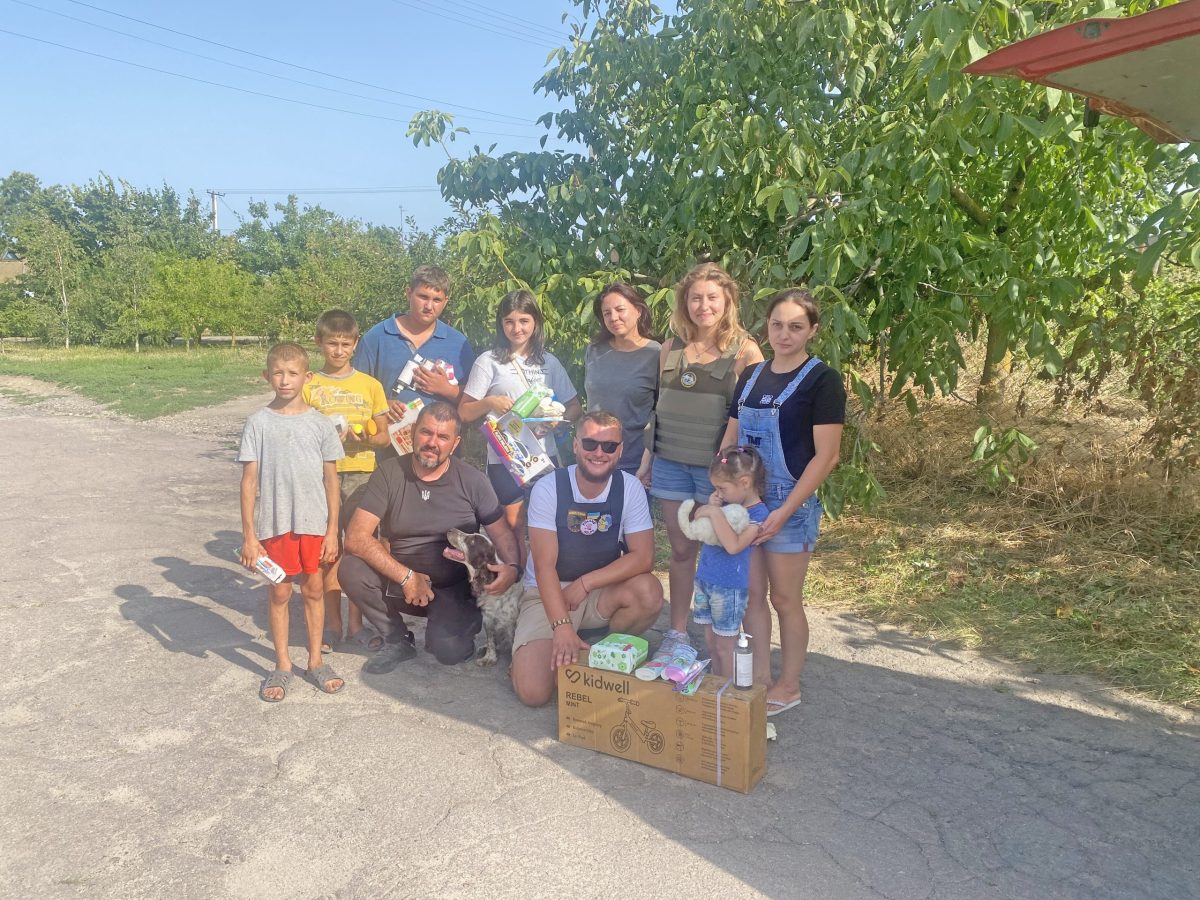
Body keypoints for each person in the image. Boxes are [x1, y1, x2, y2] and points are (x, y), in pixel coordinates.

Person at [720, 288, 846, 714]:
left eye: (796, 326)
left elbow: (827, 456)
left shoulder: (821, 380)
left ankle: (789, 685)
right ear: (766, 325)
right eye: (777, 324)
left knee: (785, 600)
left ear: (812, 329)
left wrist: (784, 510)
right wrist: (721, 489)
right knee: (751, 596)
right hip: (745, 501)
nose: (784, 334)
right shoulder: (751, 375)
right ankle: (760, 677)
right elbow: (732, 437)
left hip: (789, 506)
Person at [636, 263, 764, 655]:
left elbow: (750, 417)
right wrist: (646, 460)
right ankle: (677, 633)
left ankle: (726, 636)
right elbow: (660, 409)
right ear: (684, 303)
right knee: (680, 550)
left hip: (720, 474)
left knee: (723, 549)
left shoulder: (746, 351)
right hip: (670, 464)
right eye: (695, 297)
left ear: (727, 302)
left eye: (712, 297)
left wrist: (726, 468)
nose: (703, 305)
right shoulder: (670, 348)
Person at [339, 402, 521, 671]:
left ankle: (454, 627)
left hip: (452, 588)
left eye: (442, 437)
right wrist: (407, 577)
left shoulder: (473, 481)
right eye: (426, 433)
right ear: (413, 432)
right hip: (401, 581)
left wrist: (513, 569)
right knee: (351, 569)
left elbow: (502, 533)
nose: (432, 442)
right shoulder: (389, 473)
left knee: (450, 652)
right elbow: (355, 537)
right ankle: (397, 639)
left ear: (455, 442)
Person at [511, 411, 664, 707]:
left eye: (609, 446)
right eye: (591, 444)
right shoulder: (549, 488)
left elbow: (643, 558)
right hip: (548, 594)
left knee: (648, 591)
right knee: (534, 694)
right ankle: (550, 646)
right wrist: (562, 626)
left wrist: (585, 583)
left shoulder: (629, 488)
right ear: (576, 445)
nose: (599, 453)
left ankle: (602, 647)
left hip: (597, 593)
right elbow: (544, 568)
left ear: (619, 450)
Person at [237, 342, 345, 701]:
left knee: (313, 590)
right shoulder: (257, 423)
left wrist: (332, 531)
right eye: (278, 373)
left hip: (313, 526)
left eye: (293, 373)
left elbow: (332, 481)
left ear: (307, 377)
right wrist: (249, 536)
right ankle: (282, 664)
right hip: (273, 525)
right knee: (280, 592)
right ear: (267, 376)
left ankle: (315, 661)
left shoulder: (320, 424)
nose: (285, 380)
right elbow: (249, 482)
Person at [459, 290, 582, 548]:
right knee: (513, 526)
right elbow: (465, 411)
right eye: (509, 321)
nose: (517, 328)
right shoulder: (488, 361)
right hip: (507, 458)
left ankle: (544, 580)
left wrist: (558, 421)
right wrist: (491, 402)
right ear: (500, 324)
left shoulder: (549, 361)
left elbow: (574, 406)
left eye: (524, 320)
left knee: (549, 524)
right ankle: (516, 582)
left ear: (535, 322)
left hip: (544, 457)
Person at [303, 309, 391, 653]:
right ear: (319, 343)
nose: (338, 351)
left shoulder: (370, 386)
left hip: (362, 473)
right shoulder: (310, 385)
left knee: (356, 549)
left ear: (355, 344)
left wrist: (363, 438)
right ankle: (332, 623)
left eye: (344, 344)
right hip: (320, 476)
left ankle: (356, 623)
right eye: (331, 344)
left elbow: (384, 437)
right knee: (328, 550)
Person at [353, 264, 475, 425]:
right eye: (423, 297)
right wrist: (381, 406)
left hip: (437, 445)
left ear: (445, 302)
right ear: (408, 293)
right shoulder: (377, 337)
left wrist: (447, 389)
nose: (429, 306)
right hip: (386, 443)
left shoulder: (459, 344)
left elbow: (473, 402)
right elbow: (355, 391)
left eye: (437, 300)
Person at [688, 446, 769, 678]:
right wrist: (712, 507)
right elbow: (698, 525)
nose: (719, 493)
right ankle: (716, 684)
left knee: (725, 647)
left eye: (722, 488)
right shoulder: (723, 505)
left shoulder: (758, 514)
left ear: (744, 482)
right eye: (715, 488)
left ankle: (728, 693)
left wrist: (714, 513)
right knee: (711, 642)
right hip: (705, 580)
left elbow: (734, 546)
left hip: (728, 588)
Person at [583, 282, 661, 477]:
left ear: (638, 311)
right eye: (607, 313)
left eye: (620, 310)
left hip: (634, 460)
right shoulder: (594, 350)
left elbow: (662, 412)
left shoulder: (656, 353)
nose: (614, 317)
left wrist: (649, 461)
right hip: (593, 454)